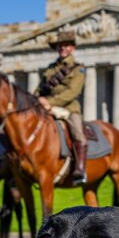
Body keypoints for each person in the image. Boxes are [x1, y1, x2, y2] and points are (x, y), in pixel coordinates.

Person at [36, 30, 87, 184]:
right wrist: (35, 99)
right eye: (60, 45)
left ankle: (80, 168)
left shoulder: (78, 68)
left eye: (66, 45)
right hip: (46, 107)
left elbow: (73, 92)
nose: (62, 48)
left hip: (69, 108)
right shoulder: (50, 69)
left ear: (72, 48)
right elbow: (40, 89)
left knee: (78, 134)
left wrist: (50, 102)